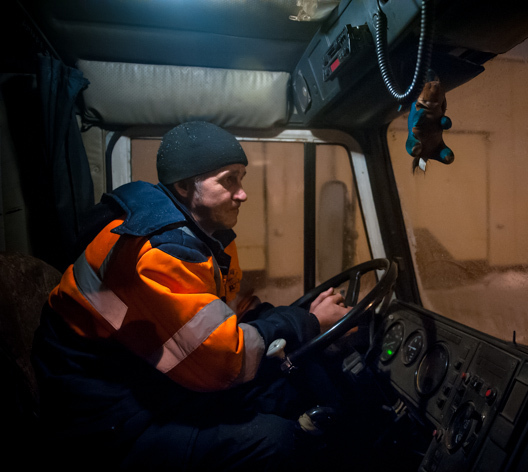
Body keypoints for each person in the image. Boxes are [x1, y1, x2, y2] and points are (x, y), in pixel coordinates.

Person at [31, 121, 350, 471]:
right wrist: (307, 321)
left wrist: (299, 318)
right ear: (184, 186)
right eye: (229, 180)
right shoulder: (161, 251)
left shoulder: (206, 236)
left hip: (146, 380)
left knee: (284, 389)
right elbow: (221, 364)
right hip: (105, 421)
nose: (242, 193)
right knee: (278, 440)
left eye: (241, 178)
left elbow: (226, 311)